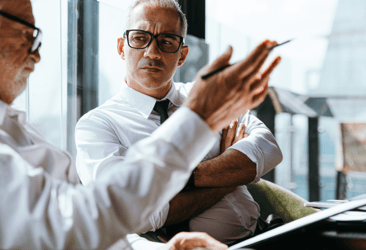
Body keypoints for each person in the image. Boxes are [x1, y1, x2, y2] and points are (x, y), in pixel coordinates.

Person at [0, 0, 280, 249]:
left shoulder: (15, 129)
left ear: (182, 55)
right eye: (140, 38)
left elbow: (268, 148)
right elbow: (134, 216)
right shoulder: (98, 124)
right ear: (122, 47)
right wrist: (225, 174)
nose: (152, 53)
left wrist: (185, 178)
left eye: (167, 41)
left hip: (266, 234)